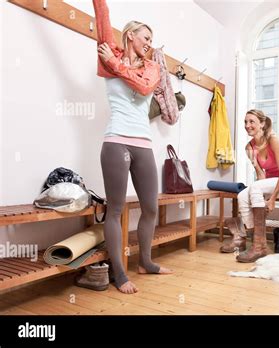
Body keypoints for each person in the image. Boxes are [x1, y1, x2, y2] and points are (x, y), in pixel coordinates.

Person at [93, 0, 172, 294]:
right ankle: (119, 273)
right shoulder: (107, 51)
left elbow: (143, 88)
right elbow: (102, 16)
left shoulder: (151, 68)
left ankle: (146, 262)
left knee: (150, 207)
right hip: (115, 141)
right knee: (115, 209)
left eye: (151, 40)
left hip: (142, 144)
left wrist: (116, 66)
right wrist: (114, 61)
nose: (149, 44)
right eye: (146, 37)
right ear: (130, 35)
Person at [220, 109, 279, 263]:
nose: (247, 125)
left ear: (262, 124)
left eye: (252, 122)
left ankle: (258, 245)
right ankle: (244, 238)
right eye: (245, 122)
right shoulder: (249, 148)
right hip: (270, 183)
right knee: (242, 195)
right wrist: (262, 195)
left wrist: (272, 198)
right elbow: (261, 175)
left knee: (255, 187)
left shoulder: (273, 140)